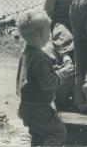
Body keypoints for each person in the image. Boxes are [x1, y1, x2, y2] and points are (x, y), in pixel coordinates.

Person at [16, 10, 74, 146]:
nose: (50, 35)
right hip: (39, 109)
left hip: (26, 106)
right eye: (49, 31)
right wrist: (64, 73)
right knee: (57, 132)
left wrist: (58, 69)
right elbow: (49, 83)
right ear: (41, 35)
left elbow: (36, 76)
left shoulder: (27, 53)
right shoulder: (40, 58)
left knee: (39, 134)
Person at [44, 0, 78, 109]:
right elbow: (48, 11)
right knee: (63, 33)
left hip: (78, 19)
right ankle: (66, 57)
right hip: (61, 20)